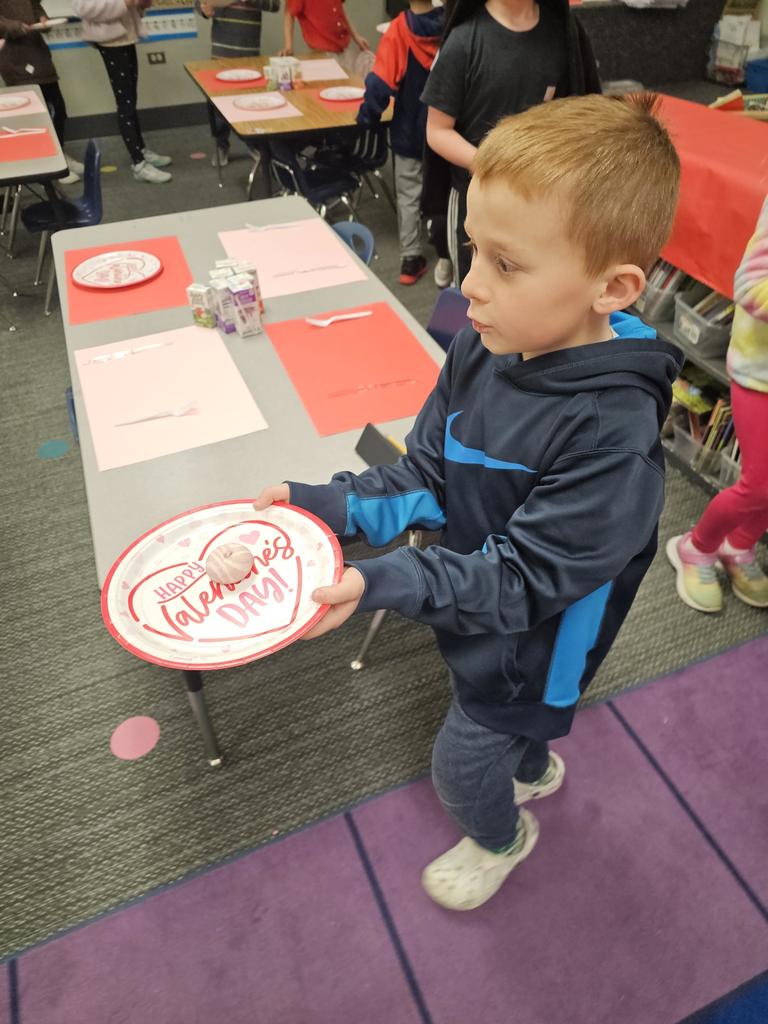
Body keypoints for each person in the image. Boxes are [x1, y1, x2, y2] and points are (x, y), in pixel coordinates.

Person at [253, 93, 683, 911]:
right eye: (473, 250)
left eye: (507, 264)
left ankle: (501, 835)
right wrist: (327, 508)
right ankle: (531, 766)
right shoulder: (488, 345)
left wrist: (388, 581)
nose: (468, 285)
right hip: (478, 610)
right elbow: (426, 474)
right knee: (504, 729)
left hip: (534, 643)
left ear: (612, 287)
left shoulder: (610, 440)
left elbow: (521, 584)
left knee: (462, 761)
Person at [421, 0, 600, 286]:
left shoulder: (563, 35)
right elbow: (437, 131)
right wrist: (495, 164)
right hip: (475, 196)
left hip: (536, 197)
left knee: (527, 288)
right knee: (476, 293)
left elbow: (572, 116)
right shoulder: (464, 40)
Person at [667, 197, 768, 613]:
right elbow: (750, 283)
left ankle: (739, 546)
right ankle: (697, 547)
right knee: (759, 483)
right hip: (759, 374)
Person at [356, 0, 443, 286]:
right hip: (448, 132)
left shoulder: (398, 30)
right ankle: (448, 254)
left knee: (408, 195)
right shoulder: (452, 25)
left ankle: (411, 258)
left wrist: (365, 118)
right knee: (445, 193)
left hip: (409, 131)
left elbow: (380, 85)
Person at [71, 0, 173, 183]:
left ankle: (140, 150)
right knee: (125, 103)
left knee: (130, 100)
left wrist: (140, 5)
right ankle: (138, 164)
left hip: (126, 36)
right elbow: (83, 8)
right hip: (111, 42)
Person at [0, 0, 83, 182]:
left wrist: (42, 18)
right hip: (14, 57)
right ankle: (47, 165)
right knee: (33, 118)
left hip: (38, 53)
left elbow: (35, 6)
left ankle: (60, 155)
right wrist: (14, 26)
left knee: (58, 110)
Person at [197, 0, 280, 167]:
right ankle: (221, 145)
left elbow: (274, 5)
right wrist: (203, 9)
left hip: (249, 53)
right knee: (219, 104)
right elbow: (200, 4)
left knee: (251, 103)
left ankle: (253, 143)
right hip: (221, 52)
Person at [279, 0, 369, 71]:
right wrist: (288, 46)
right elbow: (289, 14)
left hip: (345, 46)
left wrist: (357, 37)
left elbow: (340, 11)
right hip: (322, 51)